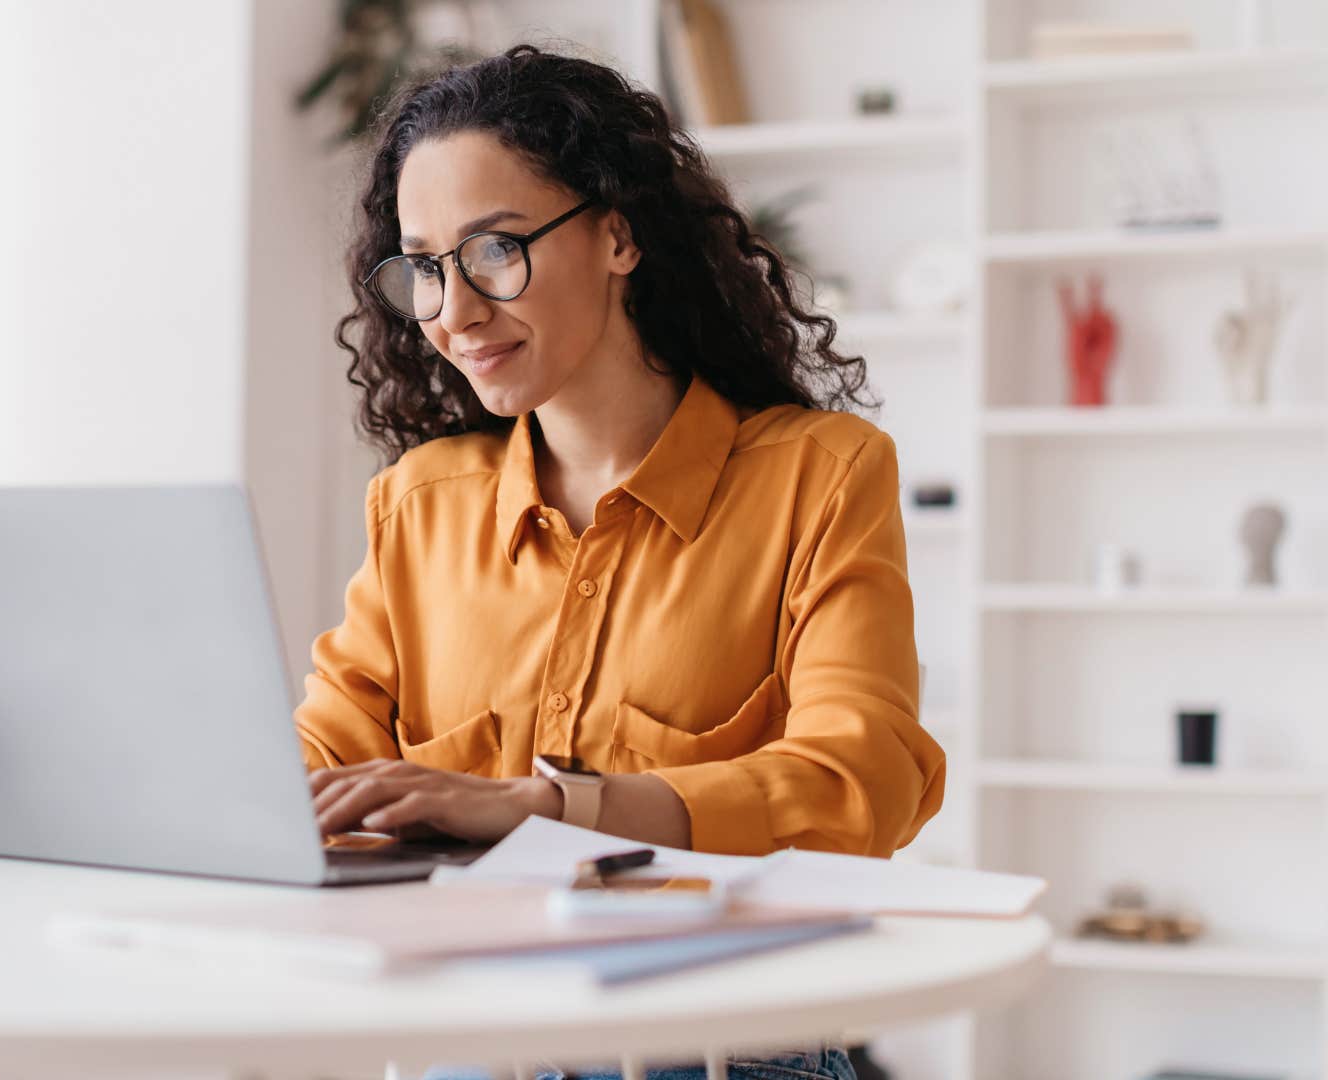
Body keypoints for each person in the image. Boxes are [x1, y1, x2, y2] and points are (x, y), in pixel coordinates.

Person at [293, 46, 946, 1080]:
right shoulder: (421, 505)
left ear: (618, 235)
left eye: (495, 249)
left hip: (715, 1052)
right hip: (465, 1040)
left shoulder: (818, 476)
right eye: (425, 267)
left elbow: (860, 781)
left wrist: (555, 810)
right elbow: (322, 770)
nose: (455, 311)